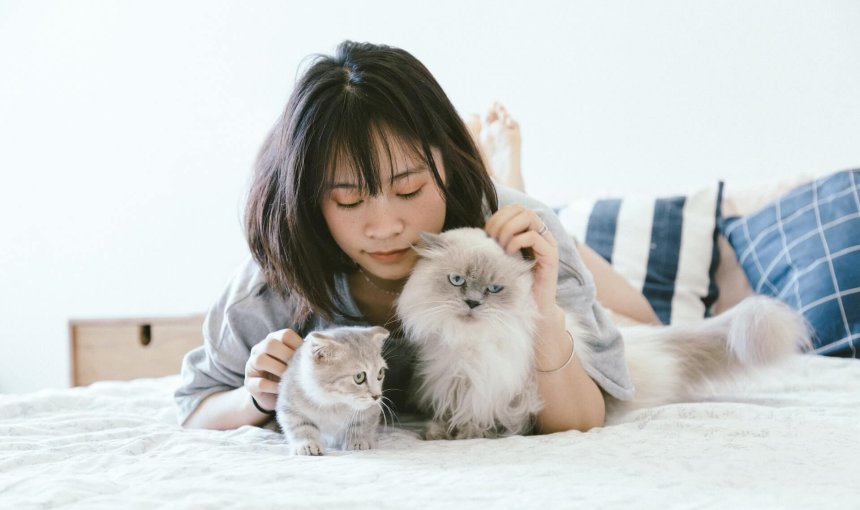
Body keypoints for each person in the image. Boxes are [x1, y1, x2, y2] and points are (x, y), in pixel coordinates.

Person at [176, 41, 650, 433]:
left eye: (410, 188)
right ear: (308, 202)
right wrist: (254, 397)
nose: (384, 227)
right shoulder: (273, 280)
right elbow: (196, 408)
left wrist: (543, 312)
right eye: (347, 200)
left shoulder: (522, 240)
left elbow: (585, 419)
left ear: (447, 161)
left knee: (642, 322)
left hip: (488, 220)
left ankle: (506, 178)